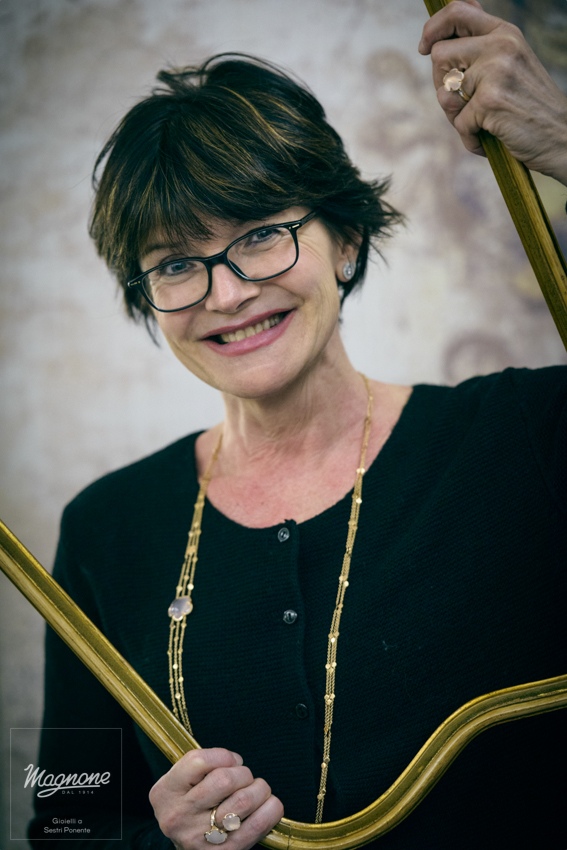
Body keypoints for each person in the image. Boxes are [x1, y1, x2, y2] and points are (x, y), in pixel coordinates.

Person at [29, 1, 567, 848]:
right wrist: (155, 841)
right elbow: (61, 819)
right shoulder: (104, 527)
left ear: (345, 238)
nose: (226, 293)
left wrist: (563, 144)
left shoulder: (524, 437)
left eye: (260, 235)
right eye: (176, 263)